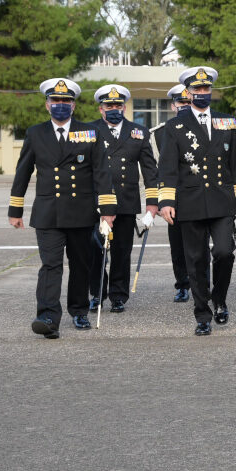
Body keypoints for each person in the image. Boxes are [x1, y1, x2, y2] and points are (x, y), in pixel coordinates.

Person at [8, 78, 116, 338]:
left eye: (65, 101)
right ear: (47, 105)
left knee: (81, 264)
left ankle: (78, 312)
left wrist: (107, 209)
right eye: (55, 101)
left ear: (74, 105)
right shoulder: (35, 133)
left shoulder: (90, 132)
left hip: (81, 211)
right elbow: (23, 171)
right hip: (47, 213)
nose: (60, 105)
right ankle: (47, 317)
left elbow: (102, 171)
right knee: (50, 265)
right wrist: (15, 208)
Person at [157, 66, 236, 336]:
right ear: (187, 92)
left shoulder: (227, 122)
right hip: (190, 202)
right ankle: (202, 313)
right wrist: (166, 201)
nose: (201, 93)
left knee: (224, 251)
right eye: (196, 89)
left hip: (222, 202)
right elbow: (168, 168)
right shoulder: (174, 126)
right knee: (195, 260)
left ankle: (219, 298)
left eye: (206, 88)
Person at [87, 84, 157, 314]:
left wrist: (152, 205)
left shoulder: (138, 132)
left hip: (126, 202)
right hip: (96, 203)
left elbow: (150, 170)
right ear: (101, 109)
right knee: (96, 250)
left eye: (118, 105)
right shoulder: (89, 131)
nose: (114, 108)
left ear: (124, 107)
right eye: (109, 105)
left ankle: (118, 295)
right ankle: (97, 293)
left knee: (121, 252)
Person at [150, 84, 202, 303]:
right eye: (181, 103)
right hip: (175, 196)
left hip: (200, 194)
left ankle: (202, 281)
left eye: (188, 102)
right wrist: (157, 201)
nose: (185, 106)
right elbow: (156, 169)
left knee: (200, 244)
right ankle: (182, 284)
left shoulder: (204, 127)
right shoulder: (161, 132)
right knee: (177, 244)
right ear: (173, 106)